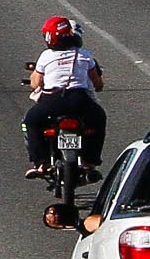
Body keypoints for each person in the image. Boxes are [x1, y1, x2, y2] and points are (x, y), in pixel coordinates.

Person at [23, 15, 108, 178]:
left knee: (31, 121)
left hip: (52, 101)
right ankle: (90, 162)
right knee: (99, 118)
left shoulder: (46, 56)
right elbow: (97, 82)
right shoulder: (84, 54)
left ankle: (41, 163)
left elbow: (35, 83)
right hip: (79, 101)